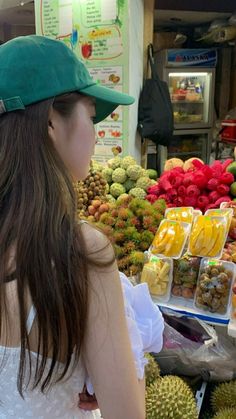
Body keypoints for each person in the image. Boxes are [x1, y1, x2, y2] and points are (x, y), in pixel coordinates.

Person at [0, 35, 145, 419]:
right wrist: (134, 360)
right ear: (51, 122)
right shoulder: (79, 250)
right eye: (91, 112)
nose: (96, 131)